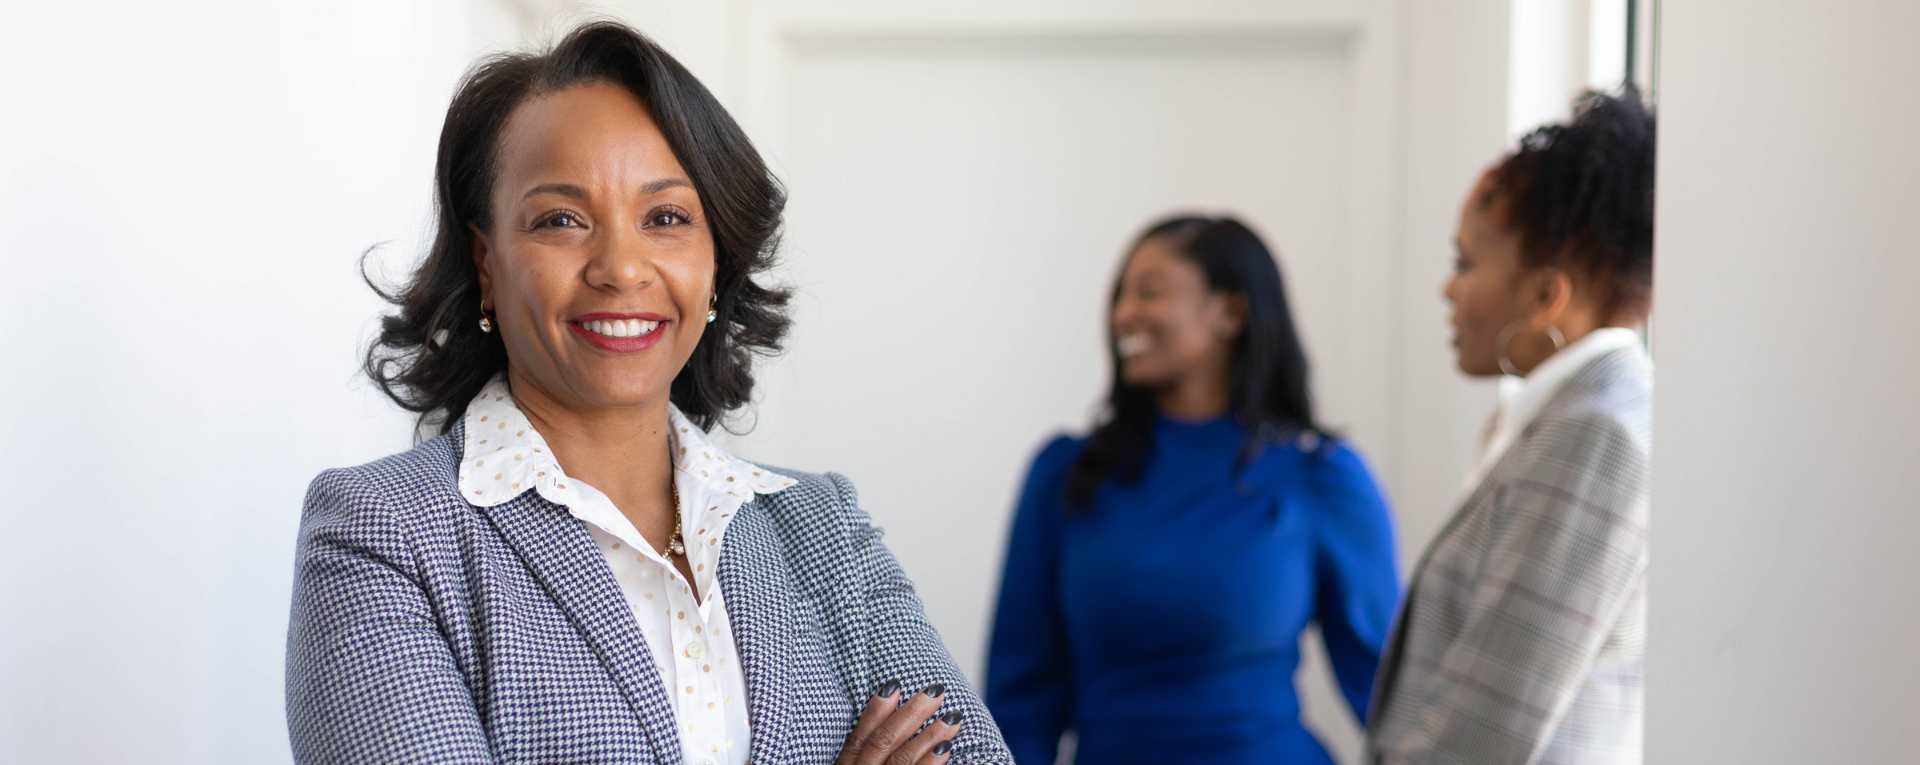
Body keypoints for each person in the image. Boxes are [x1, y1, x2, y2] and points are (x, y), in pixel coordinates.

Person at [284, 22, 1009, 765]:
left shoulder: (823, 528)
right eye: (561, 220)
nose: (622, 268)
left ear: (716, 260)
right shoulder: (382, 533)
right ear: (487, 264)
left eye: (666, 218)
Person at [984, 215, 1402, 763]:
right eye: (1119, 295)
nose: (1123, 314)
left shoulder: (1320, 475)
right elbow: (1019, 702)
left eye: (1149, 292)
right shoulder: (1065, 474)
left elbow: (1391, 698)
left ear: (1230, 313)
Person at [1365, 89, 1657, 764]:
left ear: (1545, 295)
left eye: (1465, 263)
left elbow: (1485, 730)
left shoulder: (1596, 435)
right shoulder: (1563, 417)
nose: (1447, 290)